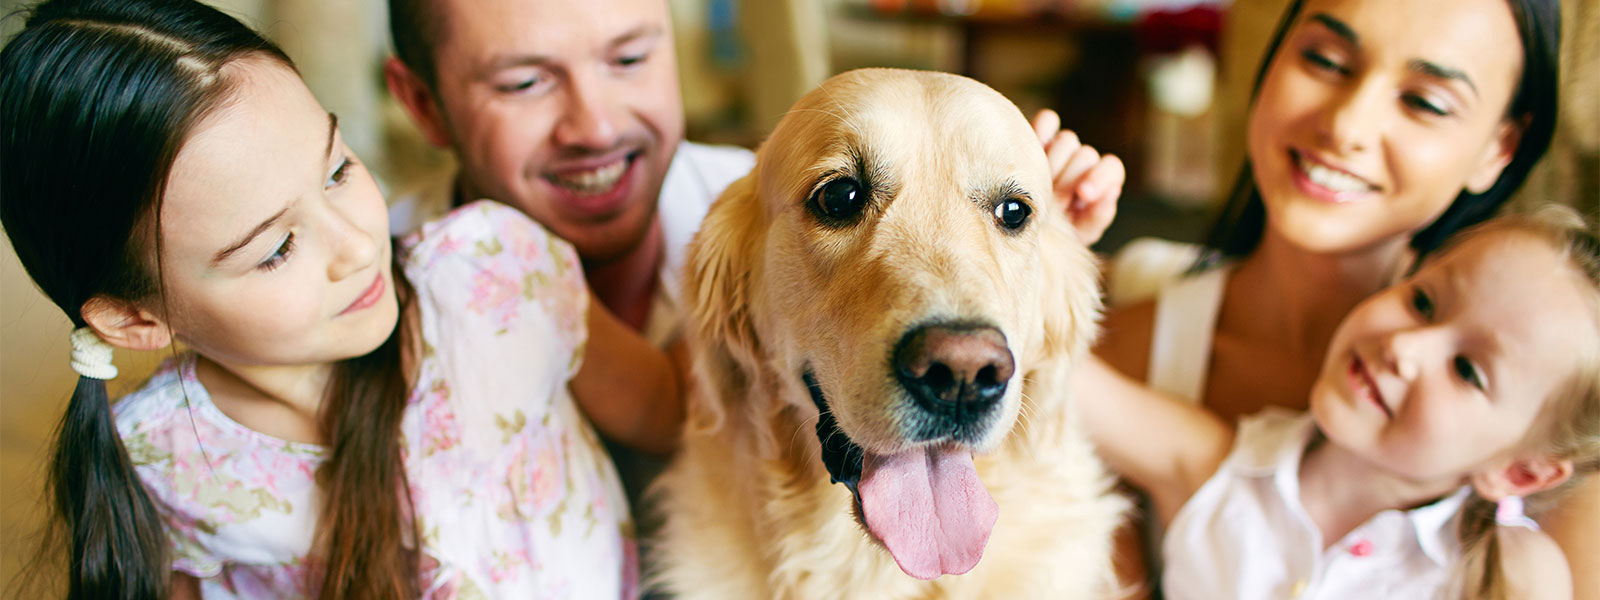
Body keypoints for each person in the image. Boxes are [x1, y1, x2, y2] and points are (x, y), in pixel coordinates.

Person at [1, 0, 680, 596]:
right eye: (276, 250)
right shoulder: (166, 460)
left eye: (338, 170)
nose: (359, 244)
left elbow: (675, 408)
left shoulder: (495, 274)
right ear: (135, 318)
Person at [1087, 0, 1598, 594]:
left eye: (1426, 101)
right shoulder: (1196, 428)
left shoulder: (1535, 514)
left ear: (1501, 146)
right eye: (1326, 60)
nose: (1346, 127)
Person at [1080, 209, 1598, 599]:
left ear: (1520, 474)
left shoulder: (1513, 572)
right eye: (1422, 303)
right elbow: (1064, 375)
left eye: (1467, 370)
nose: (1403, 348)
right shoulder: (1215, 468)